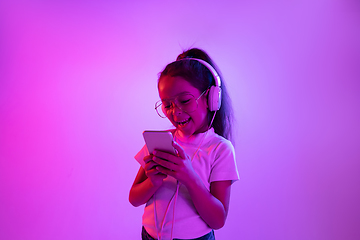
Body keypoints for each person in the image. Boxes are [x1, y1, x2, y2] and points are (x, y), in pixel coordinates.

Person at [129, 48, 239, 240]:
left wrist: (189, 177)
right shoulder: (159, 142)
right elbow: (134, 198)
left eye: (185, 101)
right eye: (168, 105)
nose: (176, 112)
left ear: (211, 99)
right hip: (149, 236)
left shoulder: (220, 149)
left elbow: (218, 220)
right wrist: (152, 182)